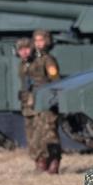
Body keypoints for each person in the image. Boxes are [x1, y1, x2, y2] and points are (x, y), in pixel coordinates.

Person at [19, 30, 63, 174]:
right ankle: (41, 162)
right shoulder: (27, 62)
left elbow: (55, 79)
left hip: (45, 102)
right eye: (36, 41)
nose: (38, 43)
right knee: (34, 135)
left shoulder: (48, 60)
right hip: (31, 103)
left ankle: (53, 162)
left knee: (49, 134)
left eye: (41, 40)